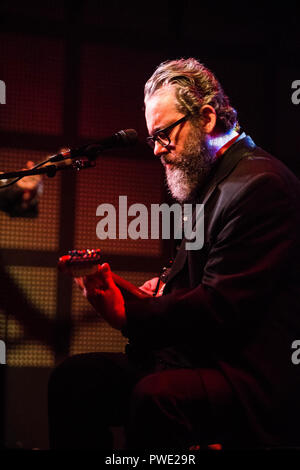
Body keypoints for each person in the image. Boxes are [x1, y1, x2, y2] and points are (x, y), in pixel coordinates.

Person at [48, 58, 300, 450]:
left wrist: (126, 313)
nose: (157, 151)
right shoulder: (217, 181)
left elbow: (219, 307)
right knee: (76, 381)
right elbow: (194, 288)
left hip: (246, 373)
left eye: (164, 134)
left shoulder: (261, 185)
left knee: (155, 398)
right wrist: (140, 290)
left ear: (206, 117)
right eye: (153, 139)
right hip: (202, 356)